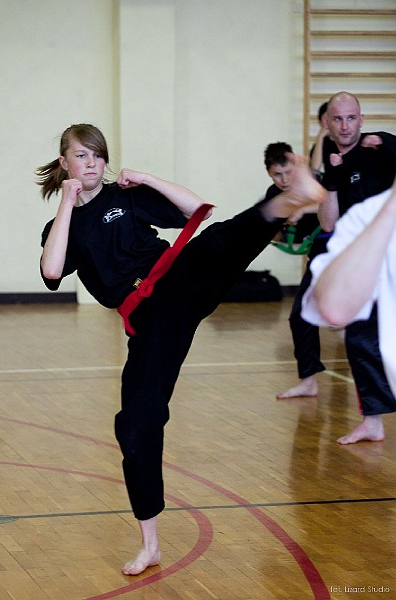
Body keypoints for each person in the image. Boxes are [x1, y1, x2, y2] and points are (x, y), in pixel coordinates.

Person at [36, 124, 326, 576]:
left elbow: (197, 210)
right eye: (81, 156)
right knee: (136, 426)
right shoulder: (63, 224)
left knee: (217, 242)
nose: (91, 163)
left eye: (97, 155)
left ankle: (292, 199)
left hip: (176, 278)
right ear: (64, 163)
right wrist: (67, 203)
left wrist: (147, 179)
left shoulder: (127, 197)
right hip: (150, 321)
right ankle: (150, 545)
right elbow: (52, 270)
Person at [316, 91, 396, 444]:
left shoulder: (380, 149)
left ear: (361, 120)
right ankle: (373, 421)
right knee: (361, 338)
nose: (345, 126)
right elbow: (328, 223)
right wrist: (332, 180)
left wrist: (389, 144)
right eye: (338, 119)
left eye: (351, 118)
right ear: (327, 123)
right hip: (365, 264)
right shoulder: (333, 163)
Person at [302, 179, 396, 437]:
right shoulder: (369, 213)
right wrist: (391, 207)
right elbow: (335, 308)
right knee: (359, 340)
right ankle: (372, 421)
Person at [276, 105, 336, 399]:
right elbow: (316, 180)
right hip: (323, 253)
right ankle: (309, 380)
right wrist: (323, 135)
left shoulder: (361, 156)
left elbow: (331, 200)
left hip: (353, 251)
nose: (340, 125)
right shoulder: (322, 152)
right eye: (332, 119)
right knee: (300, 316)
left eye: (347, 118)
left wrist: (303, 212)